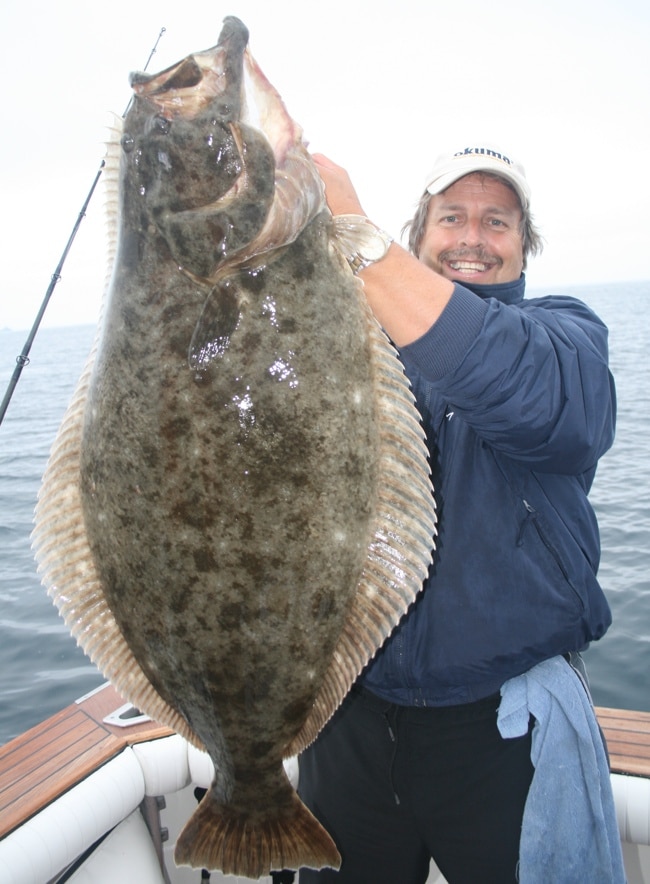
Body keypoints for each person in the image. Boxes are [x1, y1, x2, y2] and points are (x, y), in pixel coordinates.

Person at [297, 145, 622, 883]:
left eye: (497, 221)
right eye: (452, 217)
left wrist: (357, 233)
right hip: (346, 715)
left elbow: (529, 393)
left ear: (523, 246)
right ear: (421, 235)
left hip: (503, 732)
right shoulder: (348, 343)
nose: (473, 236)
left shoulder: (564, 338)